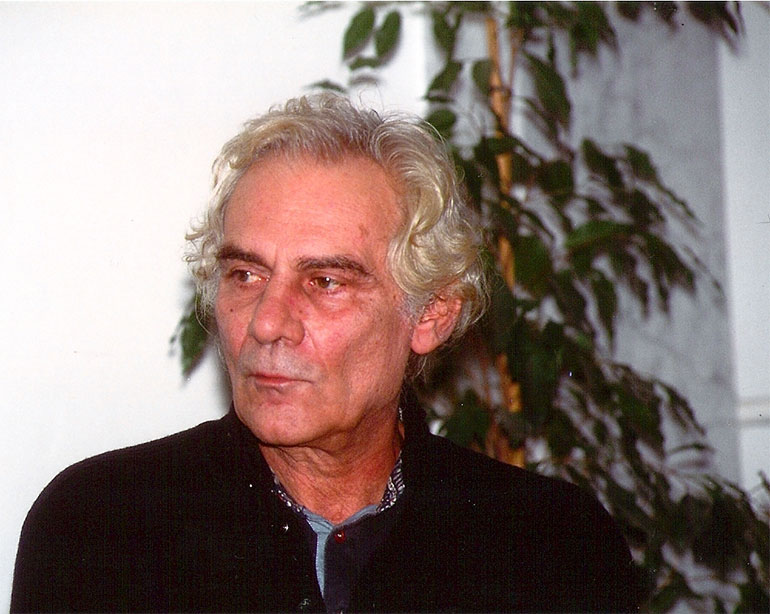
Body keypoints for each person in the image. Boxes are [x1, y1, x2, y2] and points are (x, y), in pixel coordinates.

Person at [12, 94, 641, 613]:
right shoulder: (102, 526)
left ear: (430, 314)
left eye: (326, 282)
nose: (266, 323)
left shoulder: (550, 543)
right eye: (245, 275)